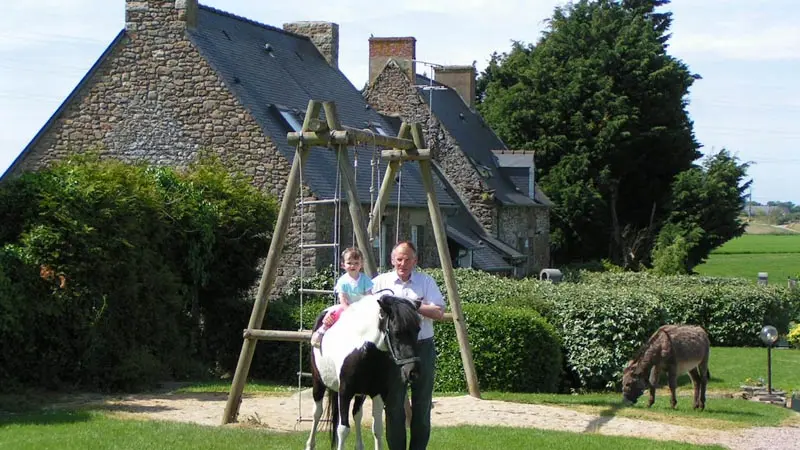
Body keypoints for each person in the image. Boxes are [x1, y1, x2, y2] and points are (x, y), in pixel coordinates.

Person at [372, 241, 446, 450]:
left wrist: (415, 305)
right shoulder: (380, 283)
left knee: (422, 405)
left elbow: (439, 312)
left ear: (415, 261)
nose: (403, 263)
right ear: (392, 260)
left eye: (407, 259)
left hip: (422, 347)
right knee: (394, 405)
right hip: (394, 352)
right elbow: (362, 309)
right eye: (399, 259)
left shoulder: (425, 282)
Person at [310, 247, 373, 348]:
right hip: (347, 306)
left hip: (361, 307)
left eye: (356, 263)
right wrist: (347, 309)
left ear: (361, 264)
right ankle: (322, 330)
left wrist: (367, 307)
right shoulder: (342, 281)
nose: (353, 266)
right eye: (349, 263)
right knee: (334, 315)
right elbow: (342, 298)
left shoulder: (365, 279)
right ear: (343, 265)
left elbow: (369, 295)